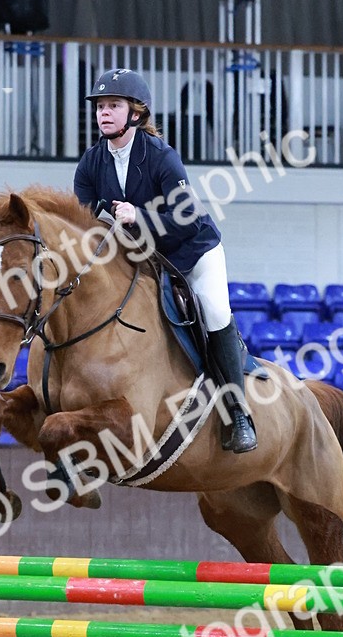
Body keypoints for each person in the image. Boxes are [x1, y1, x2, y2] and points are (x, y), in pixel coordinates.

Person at [73, 68, 257, 454]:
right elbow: (84, 224)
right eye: (100, 106)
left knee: (215, 311)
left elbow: (185, 217)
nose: (103, 113)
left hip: (192, 251)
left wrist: (137, 216)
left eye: (113, 106)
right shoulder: (91, 163)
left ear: (136, 113)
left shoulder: (161, 157)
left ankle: (238, 412)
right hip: (145, 259)